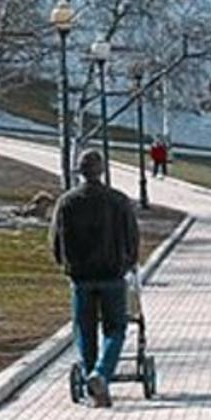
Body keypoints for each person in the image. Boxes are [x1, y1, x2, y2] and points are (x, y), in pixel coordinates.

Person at [49, 150, 139, 407]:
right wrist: (129, 262)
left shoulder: (67, 202)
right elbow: (132, 237)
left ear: (80, 172)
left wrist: (64, 264)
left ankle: (93, 379)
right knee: (115, 328)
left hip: (81, 277)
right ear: (102, 171)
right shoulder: (119, 201)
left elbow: (55, 240)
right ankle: (101, 374)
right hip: (112, 274)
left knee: (85, 329)